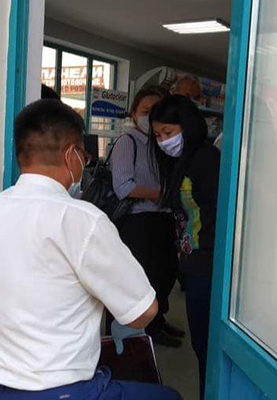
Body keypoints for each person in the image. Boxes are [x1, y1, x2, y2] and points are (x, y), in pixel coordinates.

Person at [0, 99, 182, 400]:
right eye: (84, 155)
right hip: (61, 391)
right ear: (71, 155)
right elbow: (144, 312)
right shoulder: (82, 219)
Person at [149, 95, 221, 400]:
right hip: (193, 265)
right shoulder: (181, 162)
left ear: (187, 126)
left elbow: (218, 212)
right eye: (157, 135)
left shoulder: (206, 158)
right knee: (201, 346)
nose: (163, 141)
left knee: (207, 348)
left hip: (209, 265)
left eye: (168, 132)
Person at [109, 87, 184, 348]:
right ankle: (143, 330)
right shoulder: (127, 142)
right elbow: (123, 186)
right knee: (143, 277)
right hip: (138, 221)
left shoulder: (163, 144)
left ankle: (157, 321)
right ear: (134, 113)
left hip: (163, 218)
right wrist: (158, 195)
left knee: (164, 274)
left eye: (156, 111)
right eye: (145, 111)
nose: (150, 117)